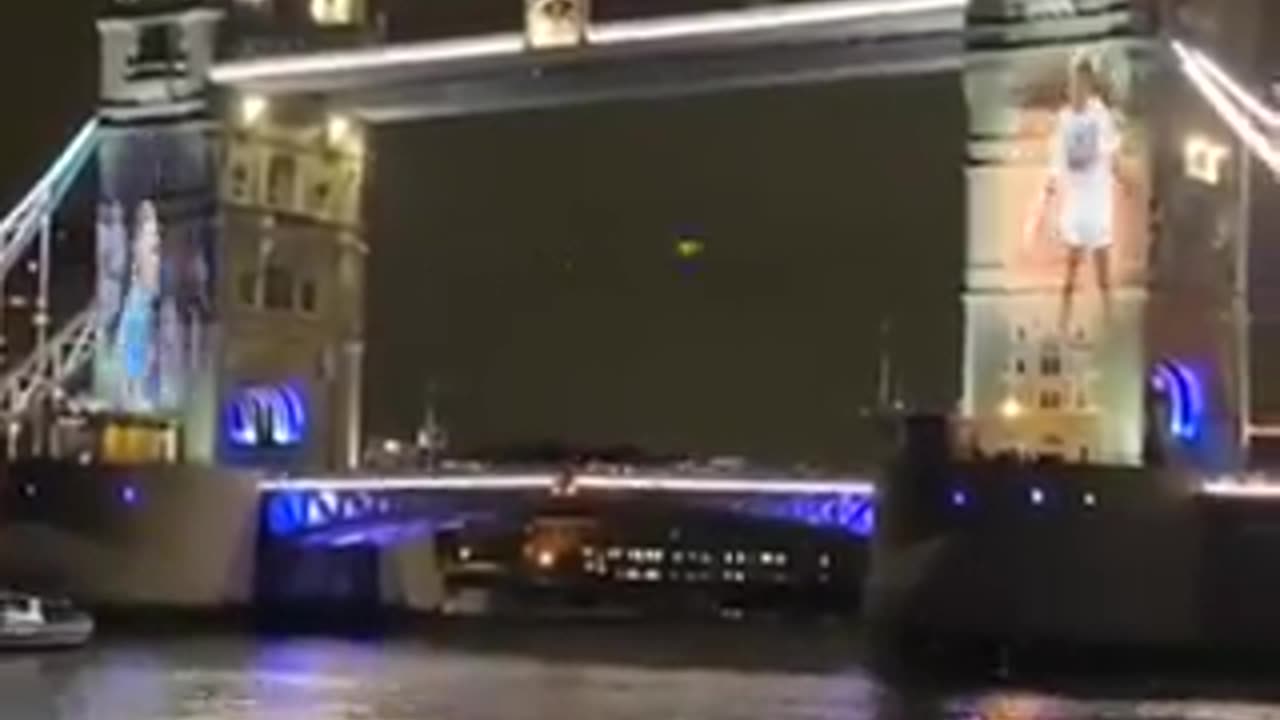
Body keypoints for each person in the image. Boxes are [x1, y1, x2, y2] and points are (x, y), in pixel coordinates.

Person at [1025, 52, 1133, 335]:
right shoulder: (1064, 118)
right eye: (1074, 82)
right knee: (1072, 261)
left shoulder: (1099, 114)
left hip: (1096, 195)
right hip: (1076, 196)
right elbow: (1057, 158)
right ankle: (1063, 319)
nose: (1077, 88)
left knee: (1101, 259)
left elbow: (1110, 151)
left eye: (1082, 82)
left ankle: (1110, 319)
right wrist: (1048, 191)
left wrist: (1123, 179)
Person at [115, 201, 161, 412]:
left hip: (142, 300)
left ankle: (134, 393)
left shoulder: (147, 243)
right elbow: (145, 272)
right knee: (136, 348)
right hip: (140, 300)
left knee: (141, 348)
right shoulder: (142, 244)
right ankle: (132, 394)